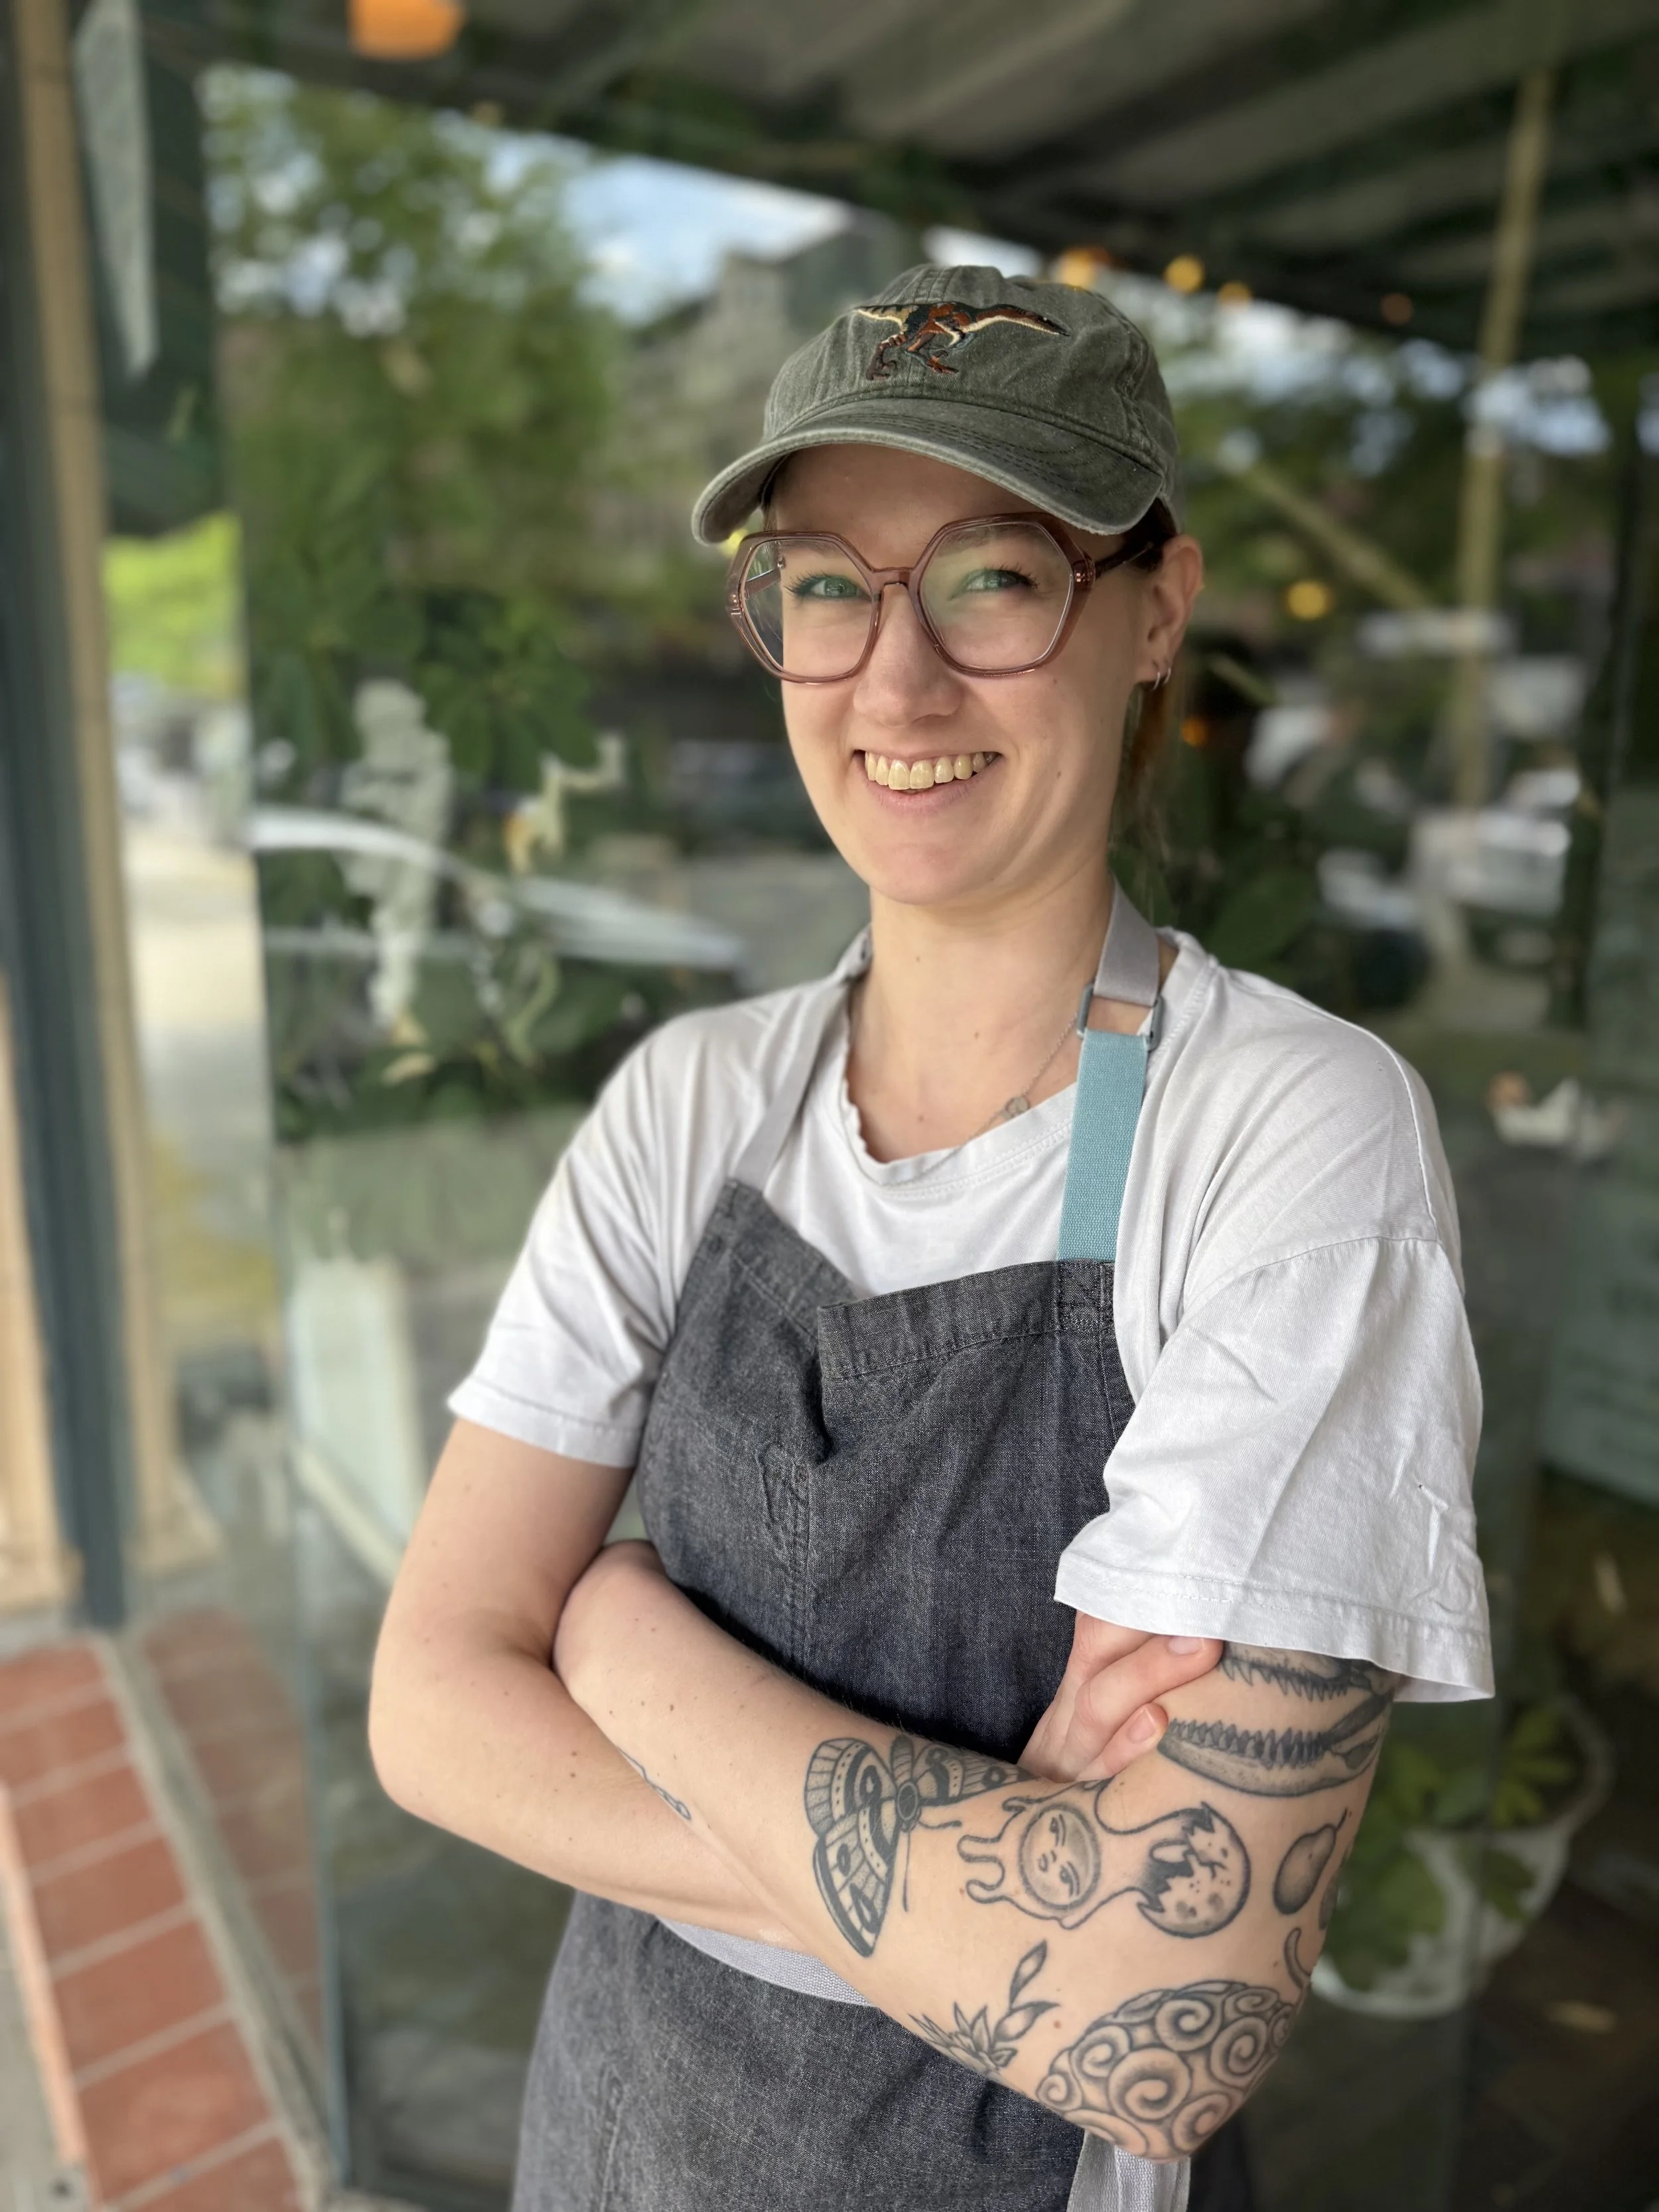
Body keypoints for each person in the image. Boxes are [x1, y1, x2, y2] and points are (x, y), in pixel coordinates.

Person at [369, 265, 1491, 2212]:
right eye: (825, 584)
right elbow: (424, 1708)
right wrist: (998, 1873)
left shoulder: (1281, 1136)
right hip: (617, 2132)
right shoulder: (689, 1100)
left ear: (1151, 611)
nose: (894, 684)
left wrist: (609, 1622)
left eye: (989, 574)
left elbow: (1168, 2009)